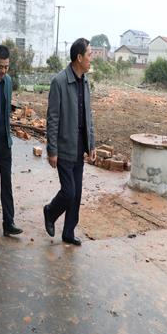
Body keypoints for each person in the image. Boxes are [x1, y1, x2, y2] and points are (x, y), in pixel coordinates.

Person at [43, 38, 97, 246]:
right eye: (90, 54)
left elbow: (88, 116)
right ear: (79, 58)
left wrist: (91, 144)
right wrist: (52, 150)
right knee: (69, 192)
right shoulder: (59, 82)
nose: (91, 58)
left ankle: (68, 232)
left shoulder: (85, 81)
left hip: (79, 148)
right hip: (64, 146)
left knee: (77, 194)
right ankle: (50, 212)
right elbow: (52, 118)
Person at [0, 45, 23, 237]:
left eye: (6, 67)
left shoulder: (8, 81)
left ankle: (8, 222)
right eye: (0, 67)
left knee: (7, 183)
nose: (3, 71)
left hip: (5, 141)